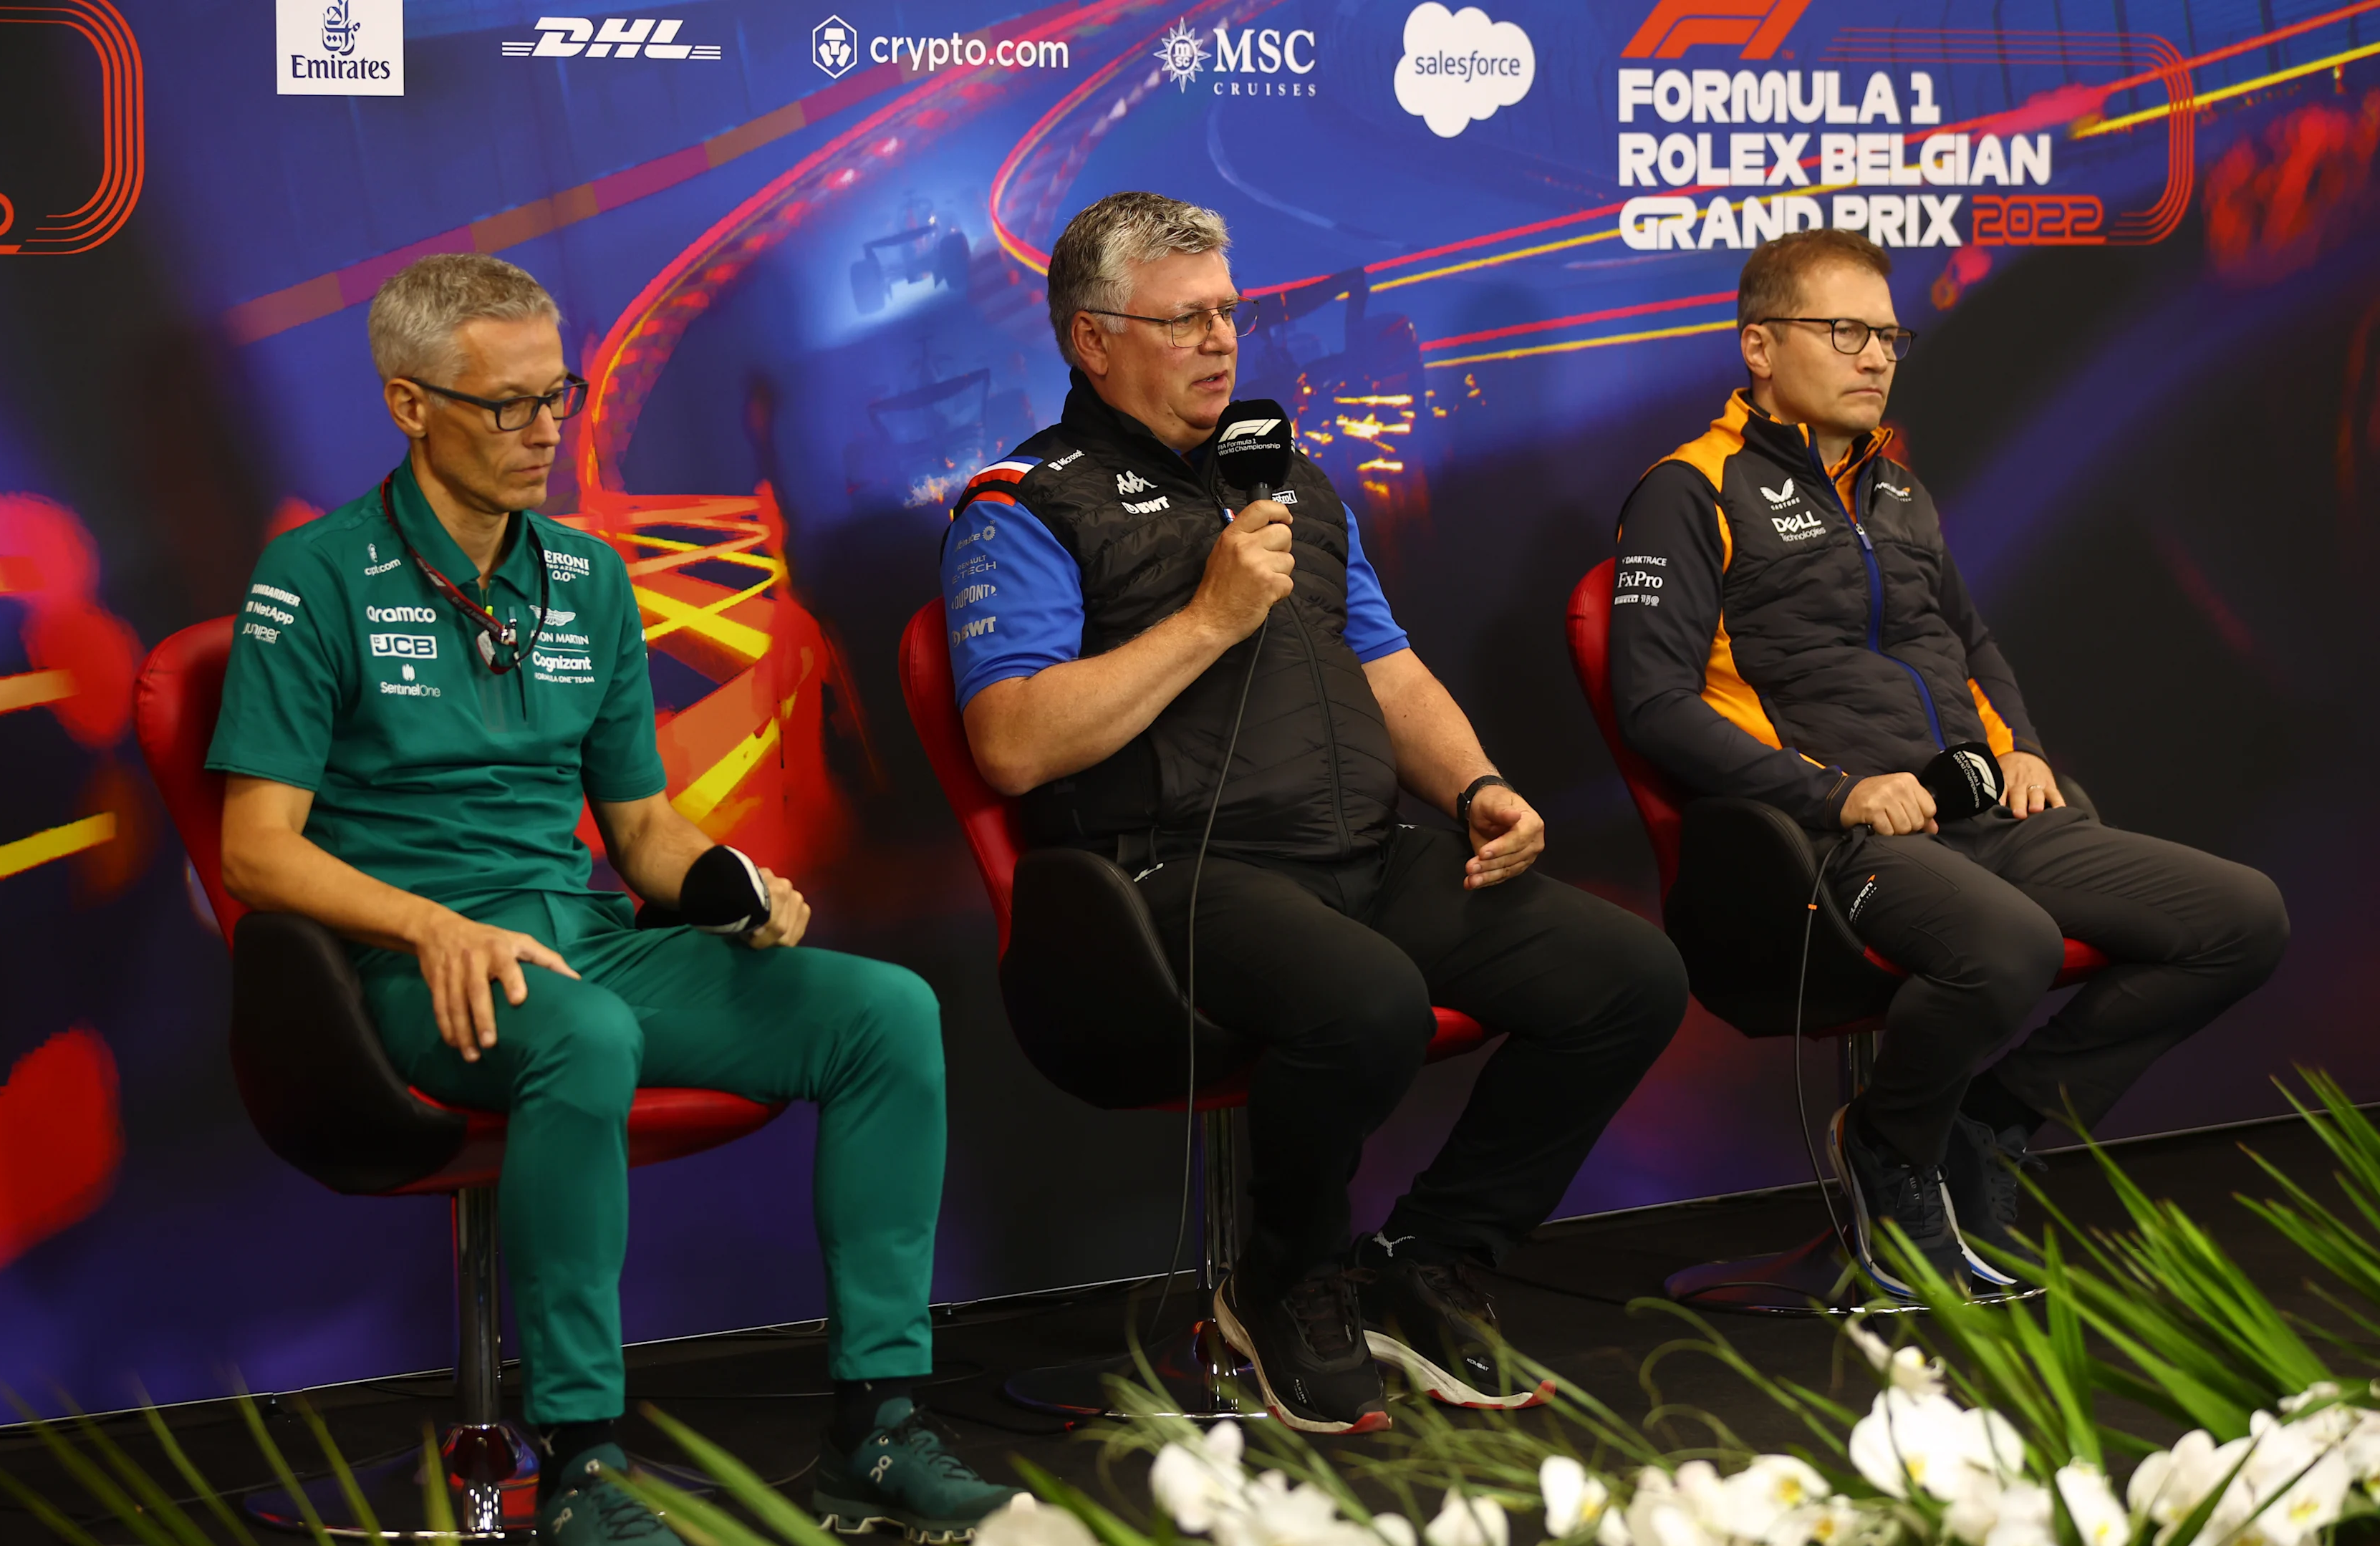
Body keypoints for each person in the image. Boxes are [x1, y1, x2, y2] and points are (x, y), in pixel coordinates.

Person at [208, 253, 1018, 1546]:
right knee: (578, 1034)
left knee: (886, 1013)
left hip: (581, 937)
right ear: (410, 405)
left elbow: (643, 833)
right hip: (415, 974)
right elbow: (255, 849)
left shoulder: (585, 580)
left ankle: (875, 1426)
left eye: (558, 398)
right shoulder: (316, 578)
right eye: (507, 406)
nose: (547, 433)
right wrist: (432, 928)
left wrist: (736, 888)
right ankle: (579, 1460)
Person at [940, 193, 1690, 1434]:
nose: (1221, 342)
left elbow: (1385, 664)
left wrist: (1478, 785)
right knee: (1368, 1001)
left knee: (1628, 976)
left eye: (1227, 313)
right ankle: (1288, 1282)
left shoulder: (1288, 474)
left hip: (1358, 851)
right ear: (1092, 339)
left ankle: (1426, 1263)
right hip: (1168, 879)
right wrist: (1206, 618)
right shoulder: (1024, 502)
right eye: (1183, 322)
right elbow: (1012, 748)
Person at [1609, 228, 2289, 1296]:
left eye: (1888, 334)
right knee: (2007, 948)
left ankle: (1989, 1126)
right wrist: (1839, 792)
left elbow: (1970, 643)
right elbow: (1652, 704)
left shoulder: (1899, 492)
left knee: (2240, 918)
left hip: (1986, 818)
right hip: (1830, 840)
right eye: (1844, 332)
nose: (1876, 356)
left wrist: (2017, 747)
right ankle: (1890, 1149)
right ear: (1758, 346)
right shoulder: (1686, 492)